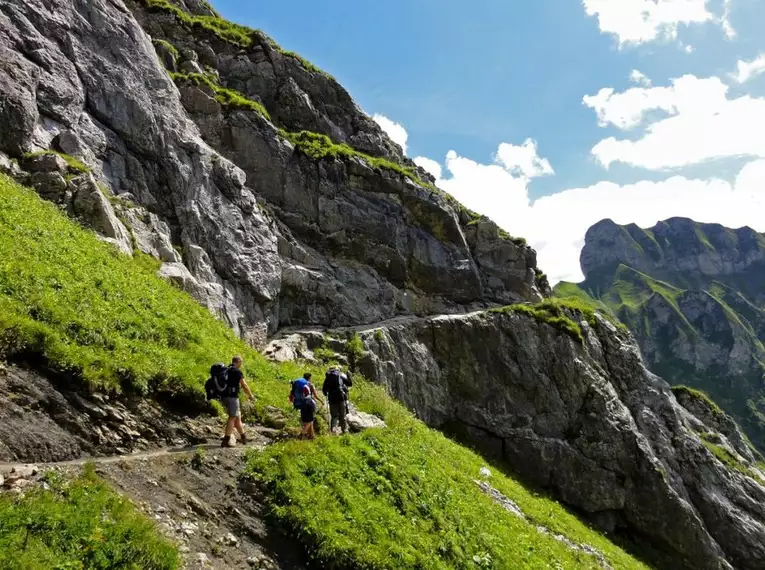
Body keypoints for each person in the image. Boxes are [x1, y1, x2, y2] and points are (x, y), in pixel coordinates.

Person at [221, 355, 254, 448]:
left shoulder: (226, 369)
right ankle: (225, 440)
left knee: (237, 417)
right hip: (232, 397)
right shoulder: (236, 371)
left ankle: (244, 438)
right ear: (238, 362)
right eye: (241, 362)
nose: (241, 364)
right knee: (232, 417)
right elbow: (244, 385)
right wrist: (251, 396)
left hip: (224, 397)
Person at [322, 366, 352, 434]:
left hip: (332, 399)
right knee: (342, 415)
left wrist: (328, 393)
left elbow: (324, 391)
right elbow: (350, 384)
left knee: (334, 416)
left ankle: (333, 431)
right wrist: (349, 376)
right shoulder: (340, 375)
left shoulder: (328, 377)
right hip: (341, 398)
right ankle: (344, 431)